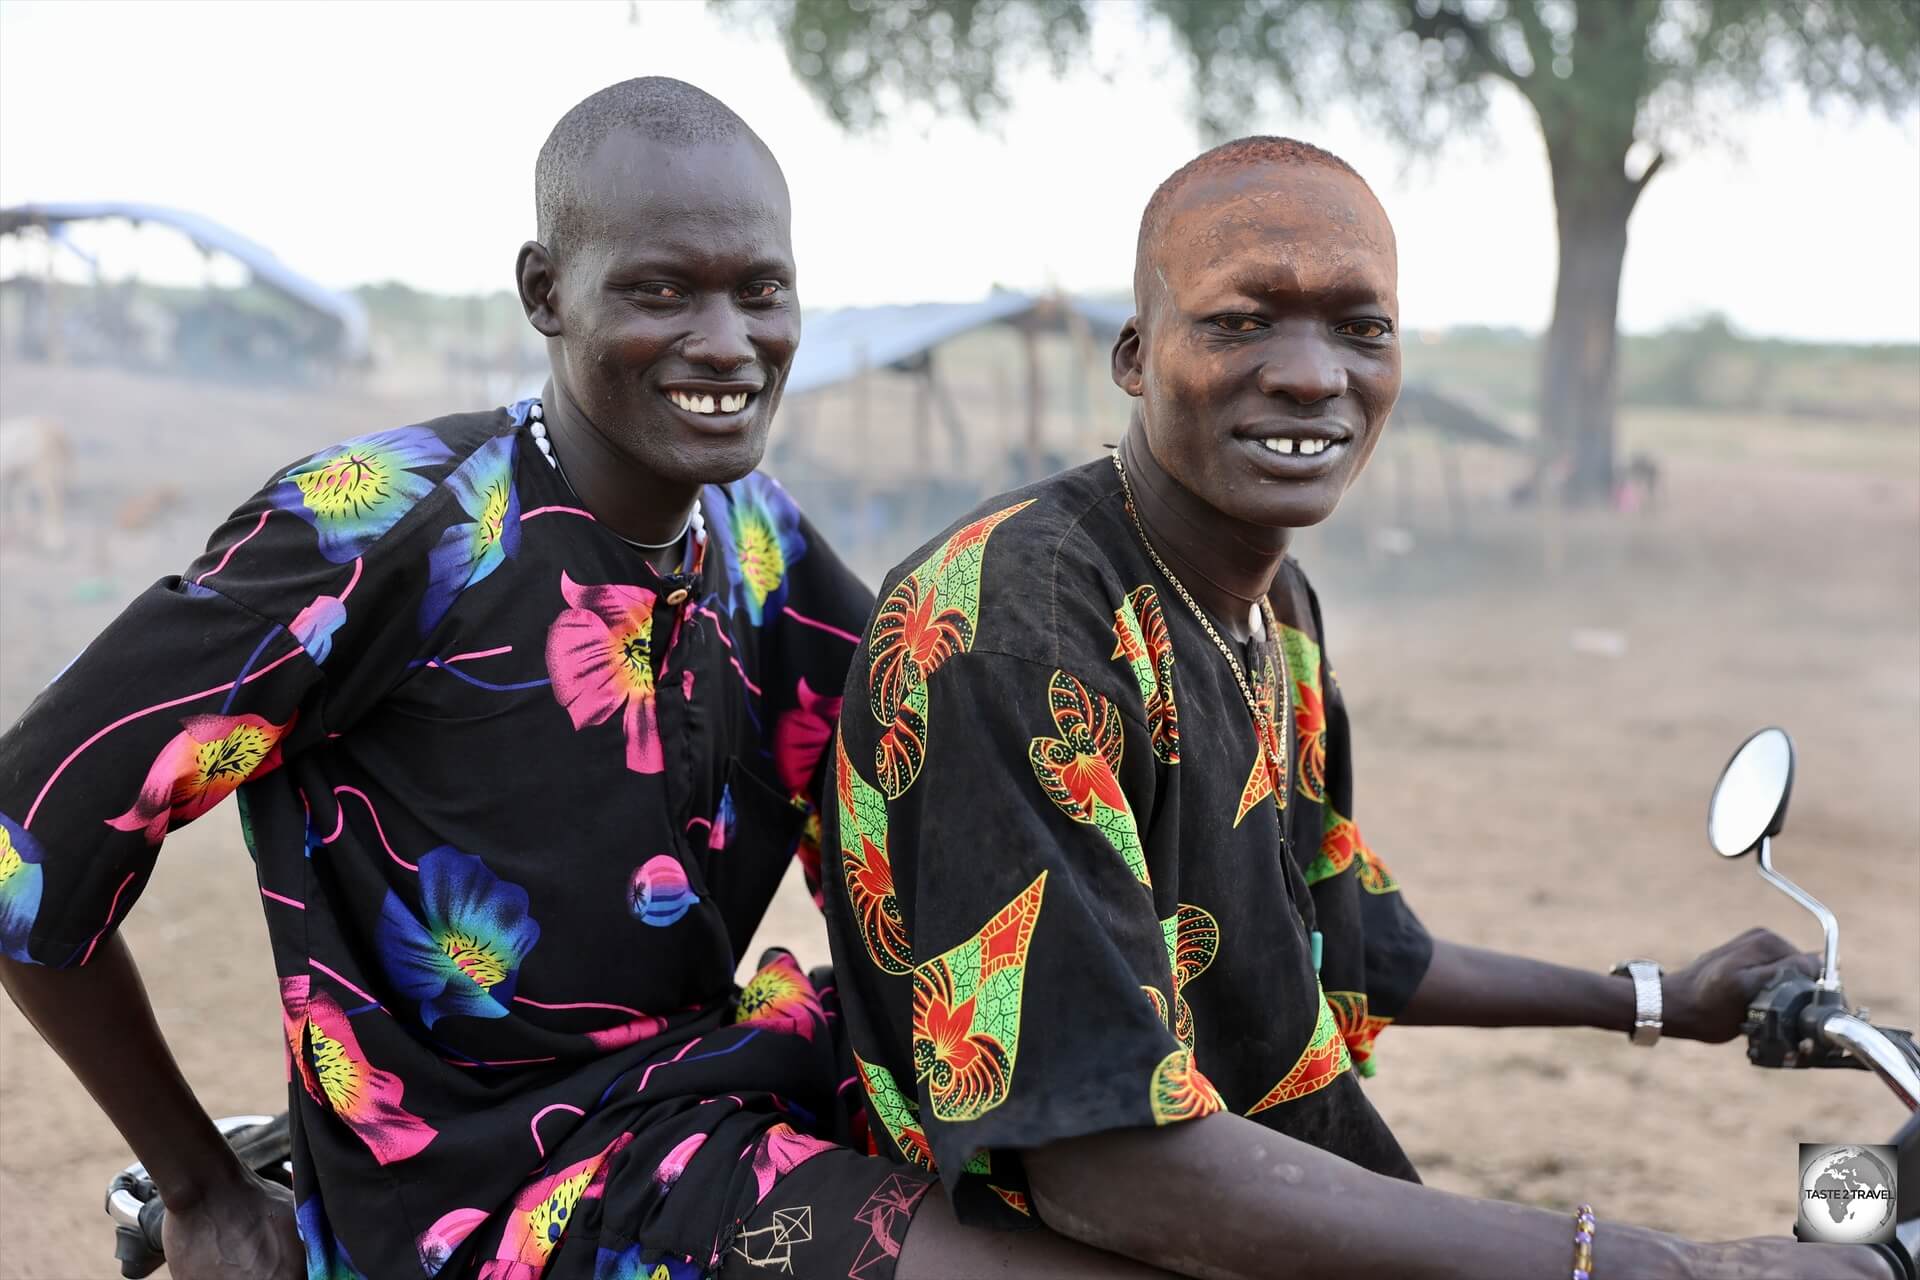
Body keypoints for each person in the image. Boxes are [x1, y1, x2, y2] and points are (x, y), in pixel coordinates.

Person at [0, 80, 1167, 1280]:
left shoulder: (755, 537)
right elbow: (22, 842)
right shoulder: (386, 527)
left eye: (759, 290)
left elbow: (906, 811)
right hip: (482, 1195)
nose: (726, 341)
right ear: (546, 293)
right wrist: (198, 1185)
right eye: (660, 290)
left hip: (706, 1093)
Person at [822, 137, 1900, 1280]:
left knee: (1868, 1211)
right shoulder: (1016, 627)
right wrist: (1658, 1263)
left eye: (1361, 327)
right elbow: (1100, 1157)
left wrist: (1654, 997)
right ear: (1136, 356)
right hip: (1116, 1243)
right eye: (1240, 320)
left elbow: (1344, 927)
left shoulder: (1269, 600)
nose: (1310, 372)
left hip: (1283, 1204)